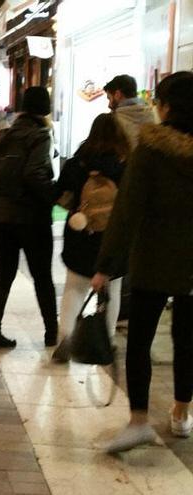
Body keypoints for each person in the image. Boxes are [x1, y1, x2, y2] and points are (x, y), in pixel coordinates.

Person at [92, 71, 193, 453]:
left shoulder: (151, 149)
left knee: (140, 339)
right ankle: (181, 412)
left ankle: (137, 420)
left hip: (153, 257)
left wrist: (106, 264)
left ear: (165, 107)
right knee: (188, 339)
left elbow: (127, 210)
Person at [0, 87, 58, 350]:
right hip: (30, 217)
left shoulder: (5, 135)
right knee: (42, 276)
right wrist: (54, 194)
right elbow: (34, 174)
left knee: (3, 274)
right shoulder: (39, 135)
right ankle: (51, 333)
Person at [53, 114, 128, 360]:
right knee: (112, 289)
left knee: (74, 287)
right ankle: (106, 342)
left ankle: (65, 339)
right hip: (113, 237)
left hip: (80, 233)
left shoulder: (78, 162)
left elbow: (59, 195)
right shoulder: (126, 164)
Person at [104, 74, 156, 148]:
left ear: (117, 94)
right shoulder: (151, 113)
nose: (109, 105)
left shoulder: (114, 121)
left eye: (109, 98)